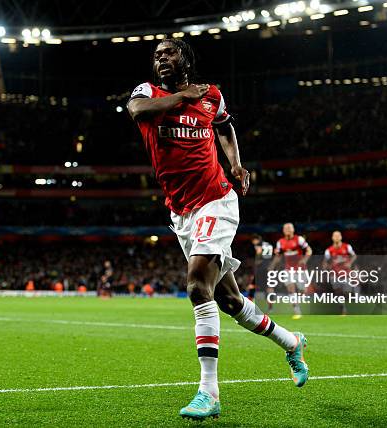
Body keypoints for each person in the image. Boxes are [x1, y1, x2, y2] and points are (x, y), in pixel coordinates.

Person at [127, 39, 308, 421]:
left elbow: (225, 129)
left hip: (217, 200)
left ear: (185, 59)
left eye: (168, 53)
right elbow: (137, 109)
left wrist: (236, 165)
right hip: (181, 212)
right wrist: (182, 97)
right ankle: (291, 342)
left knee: (196, 286)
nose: (161, 58)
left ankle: (209, 391)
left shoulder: (212, 97)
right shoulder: (148, 93)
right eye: (156, 55)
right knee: (228, 301)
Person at [272, 223, 312, 319]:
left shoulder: (299, 239)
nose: (288, 230)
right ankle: (297, 310)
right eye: (286, 228)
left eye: (290, 228)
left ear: (293, 230)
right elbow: (278, 255)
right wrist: (273, 264)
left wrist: (304, 260)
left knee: (302, 290)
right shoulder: (280, 242)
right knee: (290, 288)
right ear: (283, 230)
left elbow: (309, 250)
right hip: (288, 269)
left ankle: (298, 302)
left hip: (301, 270)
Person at [323, 231, 357, 315]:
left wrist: (349, 263)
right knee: (338, 292)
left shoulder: (347, 247)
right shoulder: (329, 250)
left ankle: (344, 306)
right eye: (335, 236)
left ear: (341, 237)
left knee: (347, 292)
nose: (337, 237)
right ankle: (343, 309)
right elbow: (325, 262)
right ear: (332, 238)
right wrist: (326, 267)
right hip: (334, 274)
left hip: (346, 273)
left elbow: (354, 255)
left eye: (338, 236)